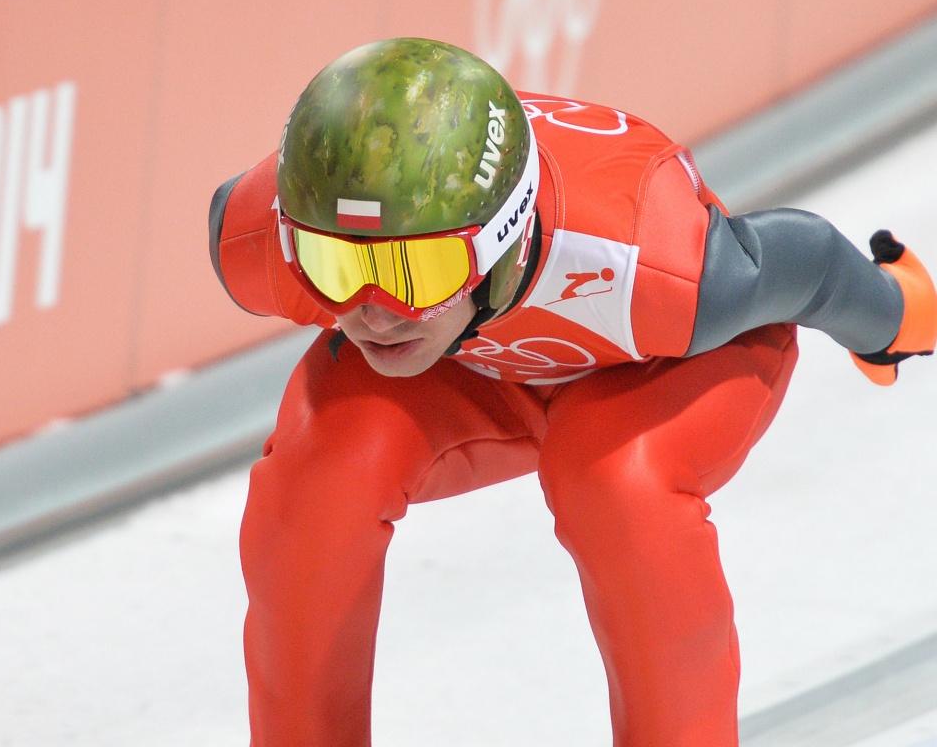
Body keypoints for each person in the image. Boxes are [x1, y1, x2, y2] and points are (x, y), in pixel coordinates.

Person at [207, 37, 936, 746]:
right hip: (472, 364)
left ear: (507, 236)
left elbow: (805, 263)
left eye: (416, 273)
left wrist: (897, 316)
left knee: (615, 480)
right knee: (320, 475)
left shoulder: (653, 265)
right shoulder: (262, 246)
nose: (375, 310)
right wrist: (398, 281)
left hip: (663, 363)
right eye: (334, 268)